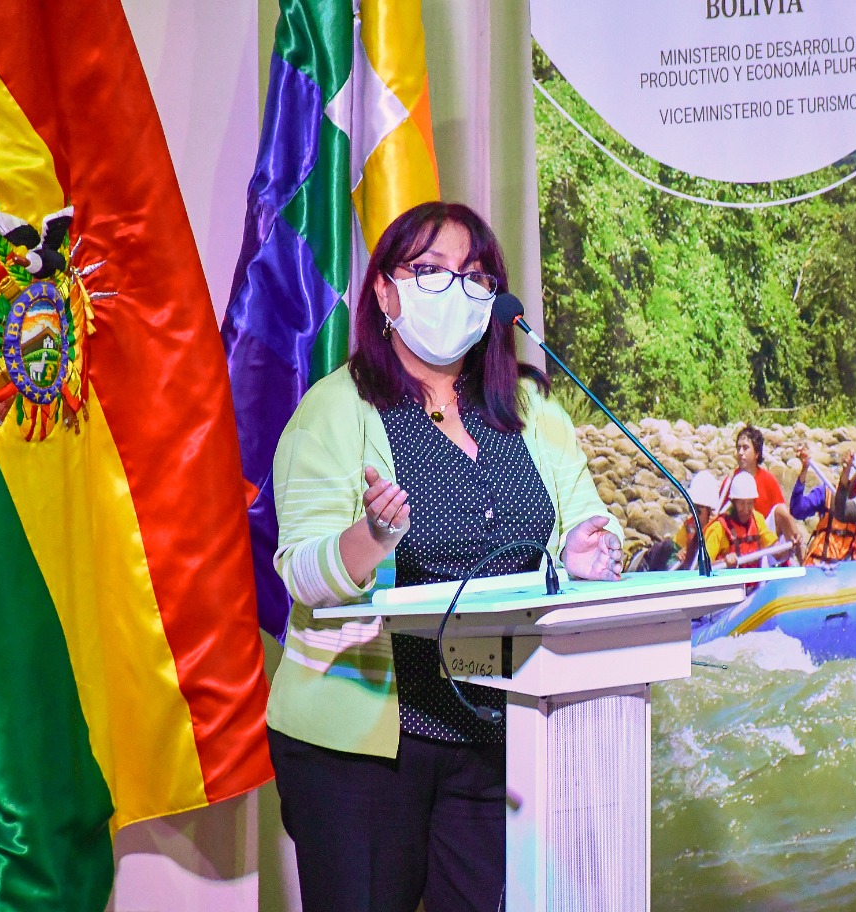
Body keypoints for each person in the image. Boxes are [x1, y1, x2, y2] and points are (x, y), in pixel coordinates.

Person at [265, 201, 623, 912]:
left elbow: (584, 521)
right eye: (429, 272)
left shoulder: (529, 407)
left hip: (495, 727)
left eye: (473, 277)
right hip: (359, 747)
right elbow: (300, 574)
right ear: (385, 292)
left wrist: (587, 552)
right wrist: (370, 537)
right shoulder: (335, 409)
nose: (453, 292)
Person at [719, 424, 804, 560]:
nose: (740, 453)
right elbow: (721, 518)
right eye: (738, 448)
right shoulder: (730, 482)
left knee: (782, 511)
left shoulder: (768, 480)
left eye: (745, 448)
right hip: (738, 540)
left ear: (757, 453)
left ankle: (803, 563)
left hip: (764, 535)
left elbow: (782, 516)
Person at [789, 443, 856, 565]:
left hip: (846, 571)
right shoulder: (826, 493)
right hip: (818, 565)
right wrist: (804, 470)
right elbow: (797, 510)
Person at [703, 470, 778, 568]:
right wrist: (724, 562)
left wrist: (791, 546)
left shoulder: (757, 519)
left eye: (750, 503)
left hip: (754, 581)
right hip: (728, 581)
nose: (746, 510)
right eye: (742, 504)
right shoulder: (718, 528)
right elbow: (703, 566)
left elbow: (777, 550)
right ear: (733, 503)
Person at [673, 469, 721, 569]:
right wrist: (678, 554)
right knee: (665, 546)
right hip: (689, 575)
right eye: (692, 509)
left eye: (698, 511)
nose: (694, 515)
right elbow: (674, 546)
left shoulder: (717, 529)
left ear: (709, 510)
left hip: (711, 577)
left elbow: (707, 563)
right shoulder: (689, 526)